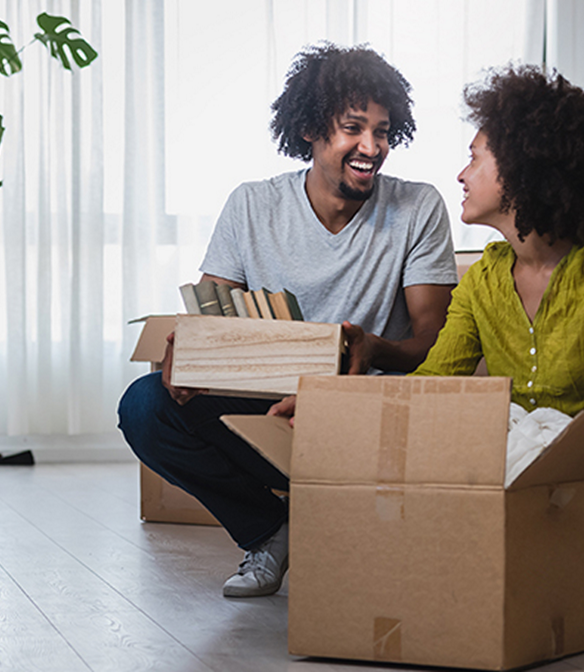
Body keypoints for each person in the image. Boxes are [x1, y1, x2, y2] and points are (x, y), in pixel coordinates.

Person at [118, 43, 458, 599]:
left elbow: (434, 344)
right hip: (273, 410)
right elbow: (210, 316)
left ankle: (341, 527)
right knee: (145, 404)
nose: (371, 147)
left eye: (384, 131)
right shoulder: (252, 206)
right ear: (308, 129)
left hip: (363, 409)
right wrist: (184, 357)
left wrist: (372, 348)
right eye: (353, 128)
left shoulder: (417, 207)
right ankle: (270, 532)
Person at [409, 64, 584, 633]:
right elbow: (431, 383)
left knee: (561, 590)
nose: (461, 173)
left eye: (475, 157)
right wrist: (332, 405)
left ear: (526, 168)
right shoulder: (482, 279)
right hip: (522, 492)